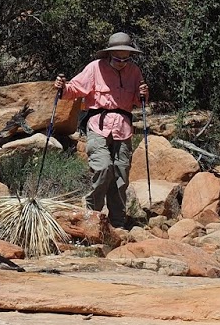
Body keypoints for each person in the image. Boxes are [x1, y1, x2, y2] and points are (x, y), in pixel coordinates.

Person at [54, 31, 149, 228]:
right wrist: (62, 88)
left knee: (121, 176)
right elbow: (74, 89)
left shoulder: (134, 71)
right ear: (109, 54)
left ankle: (117, 223)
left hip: (123, 128)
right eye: (117, 58)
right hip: (98, 125)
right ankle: (93, 215)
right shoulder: (95, 68)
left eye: (126, 59)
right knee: (103, 167)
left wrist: (143, 95)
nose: (122, 62)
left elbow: (138, 101)